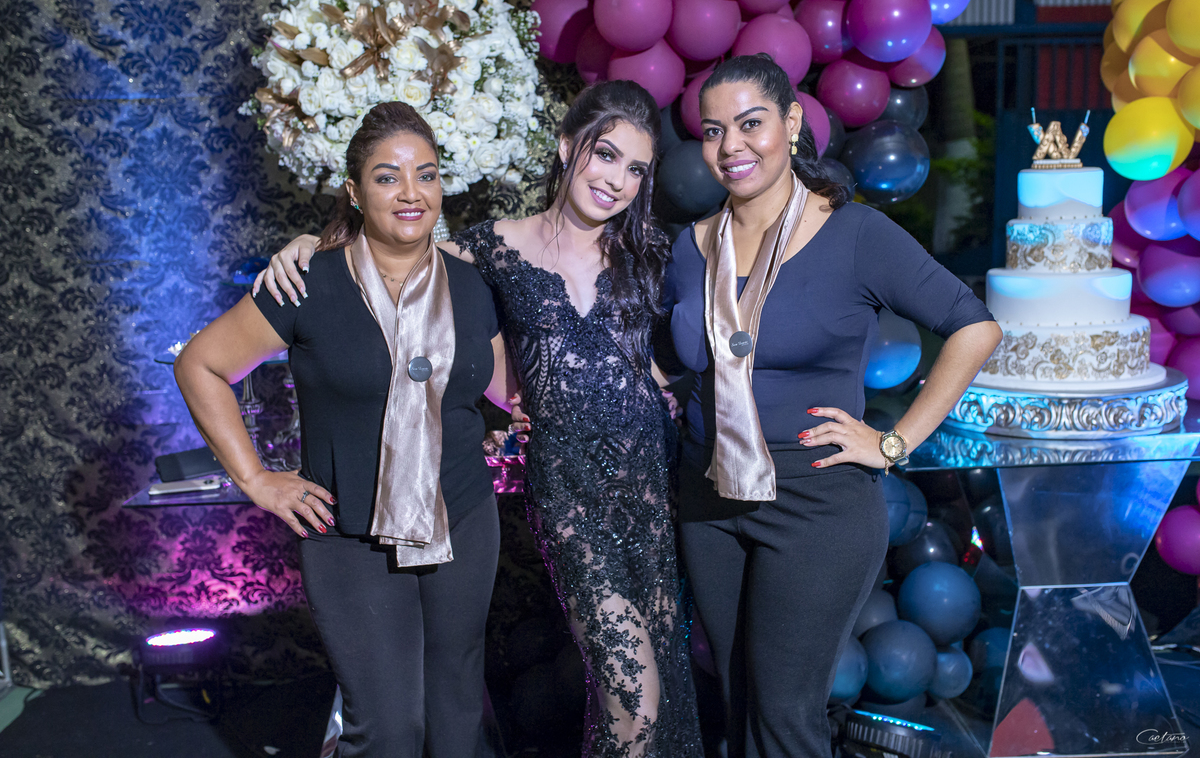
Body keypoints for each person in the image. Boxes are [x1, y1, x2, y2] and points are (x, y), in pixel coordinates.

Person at [256, 81, 703, 757]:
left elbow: (681, 349)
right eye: (605, 155)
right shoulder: (485, 250)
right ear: (566, 148)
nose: (618, 180)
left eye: (636, 169)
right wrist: (309, 246)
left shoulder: (654, 253)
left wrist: (661, 393)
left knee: (657, 693)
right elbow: (396, 254)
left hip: (650, 495)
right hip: (572, 496)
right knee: (633, 699)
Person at [662, 54, 1002, 757]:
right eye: (713, 130)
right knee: (740, 701)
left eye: (751, 124)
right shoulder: (690, 248)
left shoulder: (855, 235)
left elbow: (975, 327)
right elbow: (687, 361)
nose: (731, 146)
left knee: (785, 716)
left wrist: (893, 442)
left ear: (791, 123)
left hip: (815, 503)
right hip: (709, 496)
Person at [175, 102, 514, 757]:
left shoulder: (472, 283)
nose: (411, 192)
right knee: (387, 730)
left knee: (456, 719)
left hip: (464, 521)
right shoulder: (308, 281)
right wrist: (255, 479)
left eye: (427, 174)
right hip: (350, 537)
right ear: (355, 193)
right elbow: (201, 365)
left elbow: (507, 387)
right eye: (388, 177)